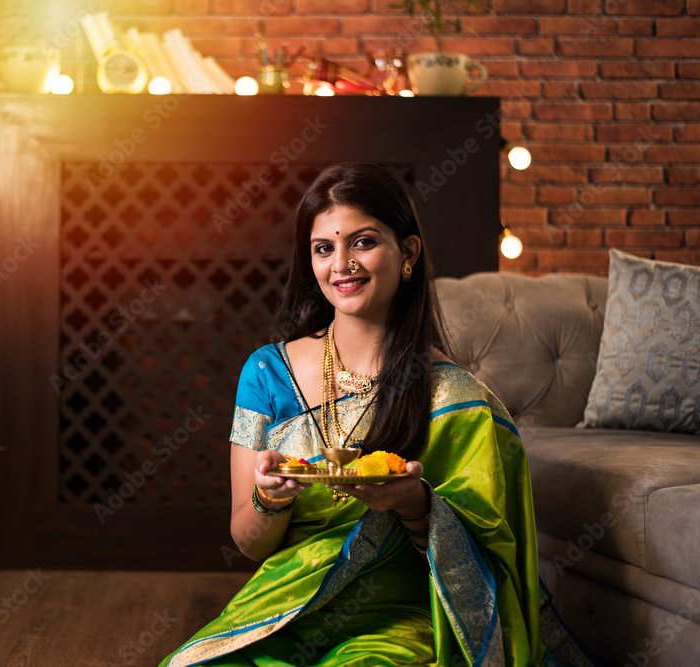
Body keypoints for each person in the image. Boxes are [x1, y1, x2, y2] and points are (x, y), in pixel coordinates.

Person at [160, 163, 595, 666]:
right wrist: (269, 499)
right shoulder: (266, 373)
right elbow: (250, 544)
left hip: (400, 620)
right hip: (284, 613)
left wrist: (415, 504)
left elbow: (489, 561)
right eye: (323, 248)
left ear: (408, 252)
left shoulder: (452, 396)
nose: (341, 264)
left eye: (363, 242)